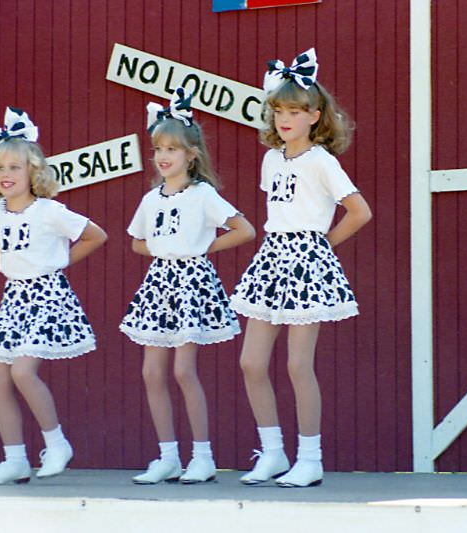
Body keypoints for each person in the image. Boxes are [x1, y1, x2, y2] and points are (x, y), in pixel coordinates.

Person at [231, 48, 372, 488]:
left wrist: (321, 246)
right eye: (278, 111)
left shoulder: (322, 162)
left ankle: (310, 458)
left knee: (297, 364)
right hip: (271, 258)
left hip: (307, 262)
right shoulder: (272, 159)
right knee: (251, 362)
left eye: (295, 111)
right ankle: (273, 453)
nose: (285, 119)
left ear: (314, 116)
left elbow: (359, 211)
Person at [120, 88, 255, 484]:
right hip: (160, 285)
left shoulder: (202, 195)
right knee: (151, 373)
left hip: (192, 285)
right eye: (158, 148)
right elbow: (136, 241)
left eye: (173, 150)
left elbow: (244, 230)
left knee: (183, 370)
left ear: (191, 155)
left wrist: (200, 248)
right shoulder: (151, 199)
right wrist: (168, 249)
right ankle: (167, 457)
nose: (163, 157)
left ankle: (202, 456)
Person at [0, 107, 107, 485]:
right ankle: (14, 458)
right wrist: (17, 265)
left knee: (22, 371)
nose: (6, 176)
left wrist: (56, 262)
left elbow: (96, 235)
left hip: (47, 297)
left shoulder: (49, 211)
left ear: (33, 171)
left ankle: (56, 443)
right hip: (13, 299)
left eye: (15, 168)